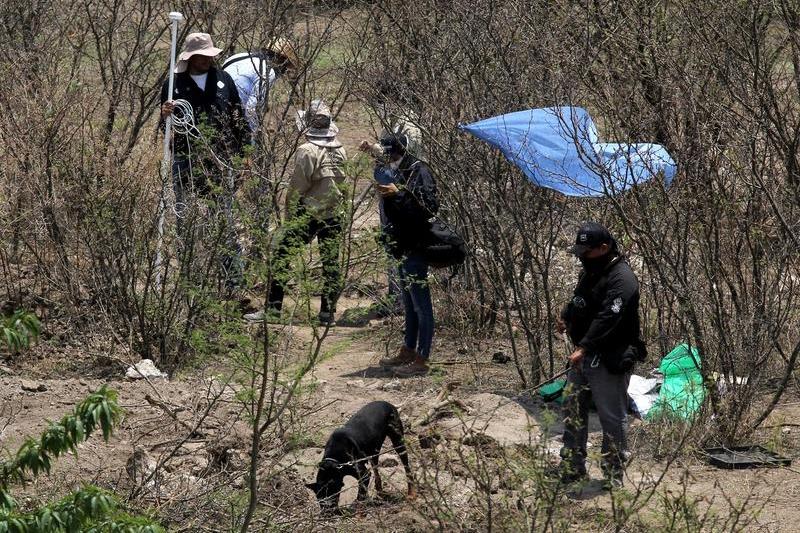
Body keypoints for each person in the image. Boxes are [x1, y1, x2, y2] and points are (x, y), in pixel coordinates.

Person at [550, 222, 645, 489]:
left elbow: (608, 317)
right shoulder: (591, 271)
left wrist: (584, 347)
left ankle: (613, 475)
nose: (582, 256)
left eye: (587, 251)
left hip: (608, 358)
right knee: (572, 409)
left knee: (612, 418)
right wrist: (567, 317)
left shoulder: (622, 278)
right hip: (583, 356)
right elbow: (581, 300)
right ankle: (572, 467)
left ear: (603, 248)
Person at [160, 32, 250, 291]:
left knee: (223, 221)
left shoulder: (223, 80)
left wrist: (246, 154)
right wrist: (164, 115)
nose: (207, 60)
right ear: (191, 57)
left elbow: (238, 119)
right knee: (185, 220)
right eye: (202, 56)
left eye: (210, 55)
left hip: (220, 162)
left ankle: (234, 285)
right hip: (185, 160)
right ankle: (191, 283)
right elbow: (164, 130)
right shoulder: (173, 85)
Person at [244, 100, 347, 325]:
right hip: (334, 213)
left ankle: (272, 311)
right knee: (330, 262)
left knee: (281, 254)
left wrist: (289, 215)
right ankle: (327, 314)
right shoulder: (341, 149)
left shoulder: (306, 151)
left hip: (309, 213)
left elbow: (296, 188)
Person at [376, 134, 439, 377]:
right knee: (410, 303)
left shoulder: (419, 170)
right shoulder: (396, 170)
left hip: (416, 246)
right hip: (400, 245)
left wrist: (398, 193)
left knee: (422, 305)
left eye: (391, 154)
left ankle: (422, 358)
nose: (388, 159)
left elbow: (429, 207)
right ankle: (408, 349)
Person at [222, 37, 301, 138]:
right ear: (282, 60)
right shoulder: (268, 72)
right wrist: (254, 135)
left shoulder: (239, 56)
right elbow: (251, 108)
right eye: (286, 64)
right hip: (229, 112)